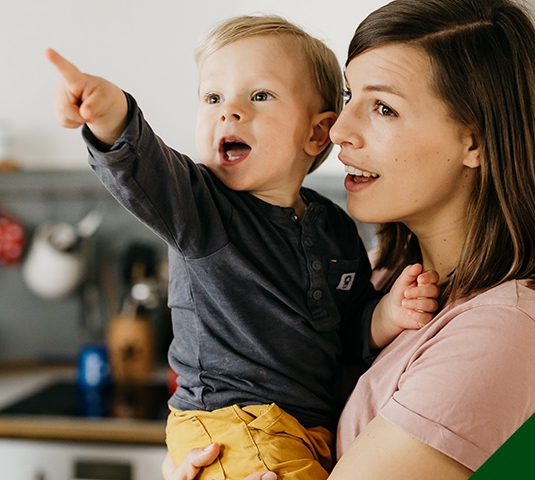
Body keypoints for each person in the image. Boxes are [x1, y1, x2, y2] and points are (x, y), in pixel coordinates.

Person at [166, 0, 535, 479]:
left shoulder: (505, 332)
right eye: (350, 96)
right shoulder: (376, 275)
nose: (340, 129)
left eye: (384, 108)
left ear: (474, 142)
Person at [46, 14, 441, 480]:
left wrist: (388, 315)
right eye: (212, 98)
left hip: (300, 430)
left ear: (317, 133)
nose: (228, 112)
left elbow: (347, 326)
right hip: (232, 422)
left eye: (260, 96)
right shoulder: (201, 208)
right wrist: (111, 115)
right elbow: (142, 166)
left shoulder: (334, 225)